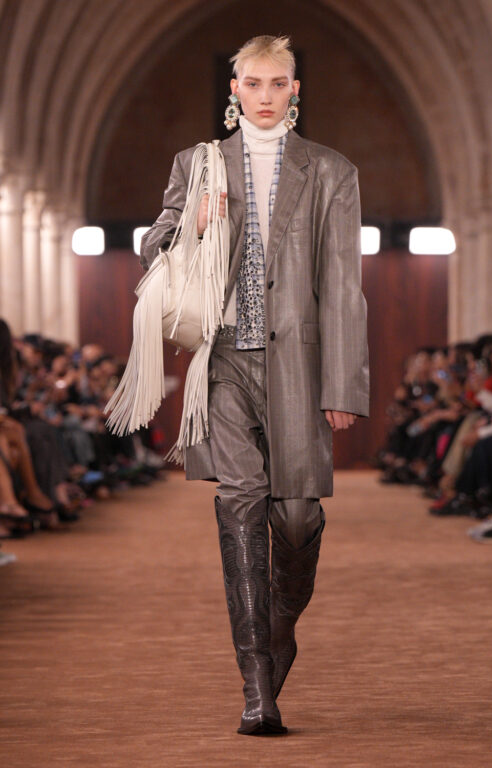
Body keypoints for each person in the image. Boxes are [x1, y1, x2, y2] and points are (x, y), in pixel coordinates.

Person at [140, 35, 369, 735]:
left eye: (277, 83)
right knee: (240, 504)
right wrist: (189, 226)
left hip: (299, 363)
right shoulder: (198, 164)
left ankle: (276, 634)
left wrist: (344, 384)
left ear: (295, 90)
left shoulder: (331, 171)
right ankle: (257, 688)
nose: (264, 95)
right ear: (234, 89)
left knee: (295, 518)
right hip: (223, 359)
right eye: (253, 82)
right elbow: (153, 247)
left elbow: (343, 283)